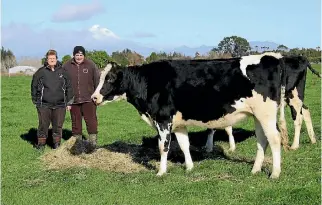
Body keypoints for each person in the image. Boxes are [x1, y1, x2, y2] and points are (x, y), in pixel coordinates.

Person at [31, 49, 74, 151]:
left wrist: (69, 102)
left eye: (53, 58)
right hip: (44, 105)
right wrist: (36, 101)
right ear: (47, 59)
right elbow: (34, 86)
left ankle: (56, 144)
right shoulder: (40, 72)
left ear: (56, 59)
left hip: (60, 105)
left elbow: (69, 87)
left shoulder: (63, 72)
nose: (51, 60)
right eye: (50, 58)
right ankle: (41, 144)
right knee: (43, 125)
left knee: (58, 125)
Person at [62, 46, 100, 152]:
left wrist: (96, 96)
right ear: (73, 55)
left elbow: (97, 80)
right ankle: (77, 145)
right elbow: (63, 84)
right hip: (73, 101)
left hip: (89, 99)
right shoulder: (66, 66)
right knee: (76, 123)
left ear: (84, 55)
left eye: (81, 55)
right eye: (77, 55)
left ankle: (92, 145)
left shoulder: (91, 65)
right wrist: (66, 100)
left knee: (91, 121)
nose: (79, 57)